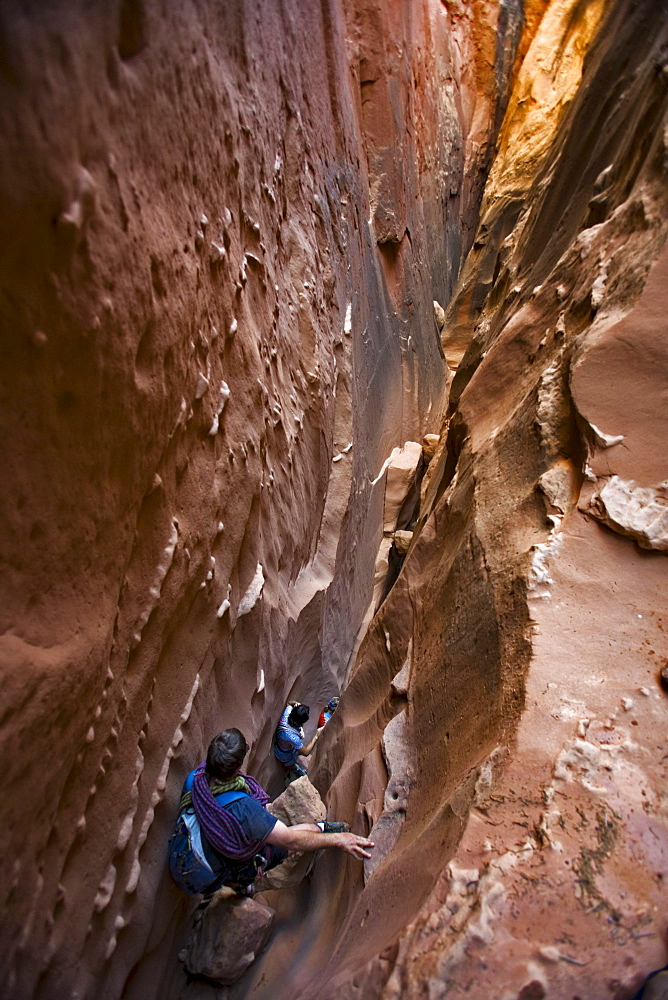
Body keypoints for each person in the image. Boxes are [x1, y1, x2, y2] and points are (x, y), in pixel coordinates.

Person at [169, 728, 373, 897]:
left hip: (180, 856)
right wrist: (340, 839)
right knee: (275, 851)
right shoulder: (246, 811)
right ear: (237, 766)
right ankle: (243, 882)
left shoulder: (195, 779)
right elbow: (291, 840)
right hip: (204, 876)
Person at [273, 701, 322, 780]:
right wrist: (316, 736)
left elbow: (289, 703)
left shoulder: (287, 713)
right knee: (290, 763)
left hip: (286, 744)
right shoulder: (293, 738)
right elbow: (305, 752)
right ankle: (296, 769)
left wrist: (295, 703)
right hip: (284, 753)